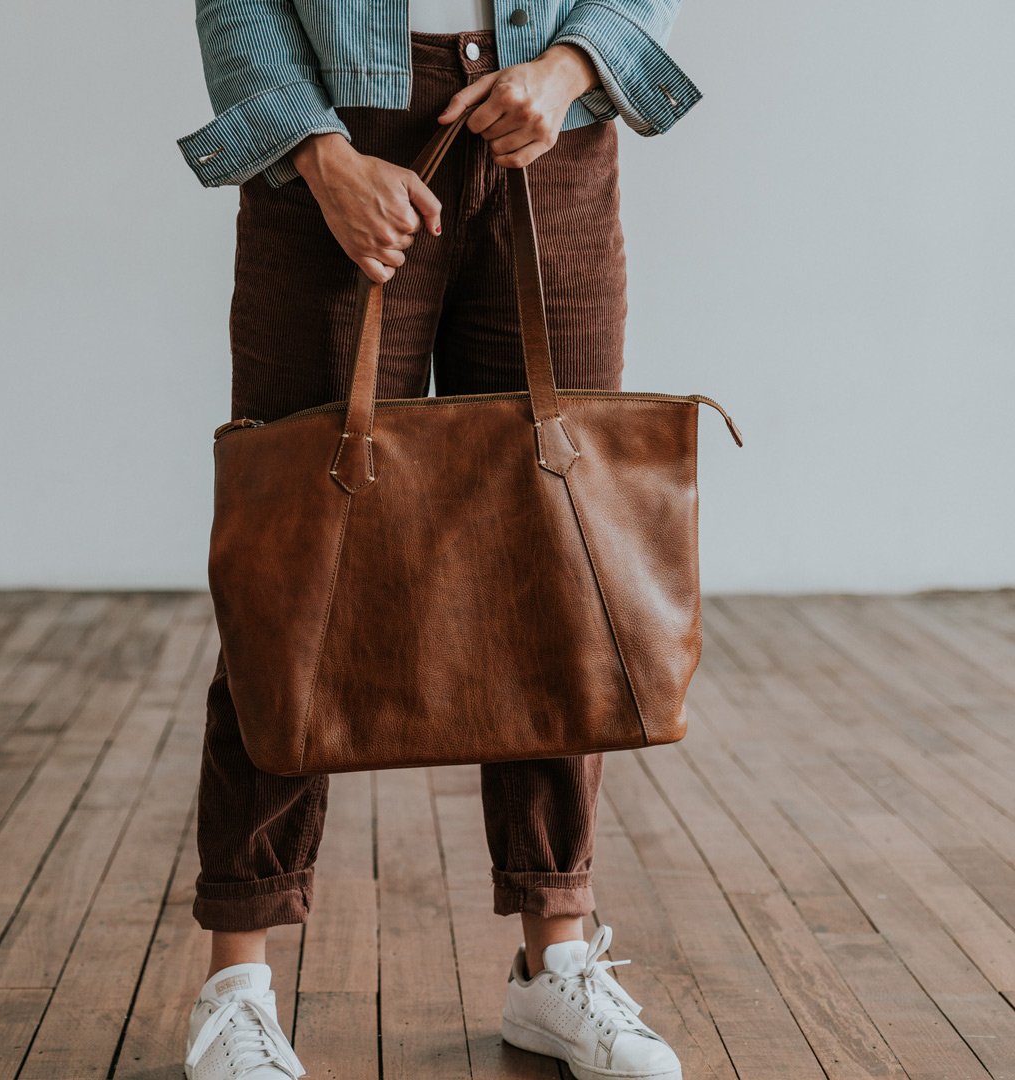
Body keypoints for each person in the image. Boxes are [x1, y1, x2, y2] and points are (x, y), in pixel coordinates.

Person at [175, 2, 701, 1078]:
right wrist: (318, 154)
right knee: (292, 562)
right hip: (333, 134)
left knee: (562, 559)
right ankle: (237, 986)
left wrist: (566, 66)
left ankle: (556, 964)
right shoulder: (322, 154)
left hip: (546, 130)